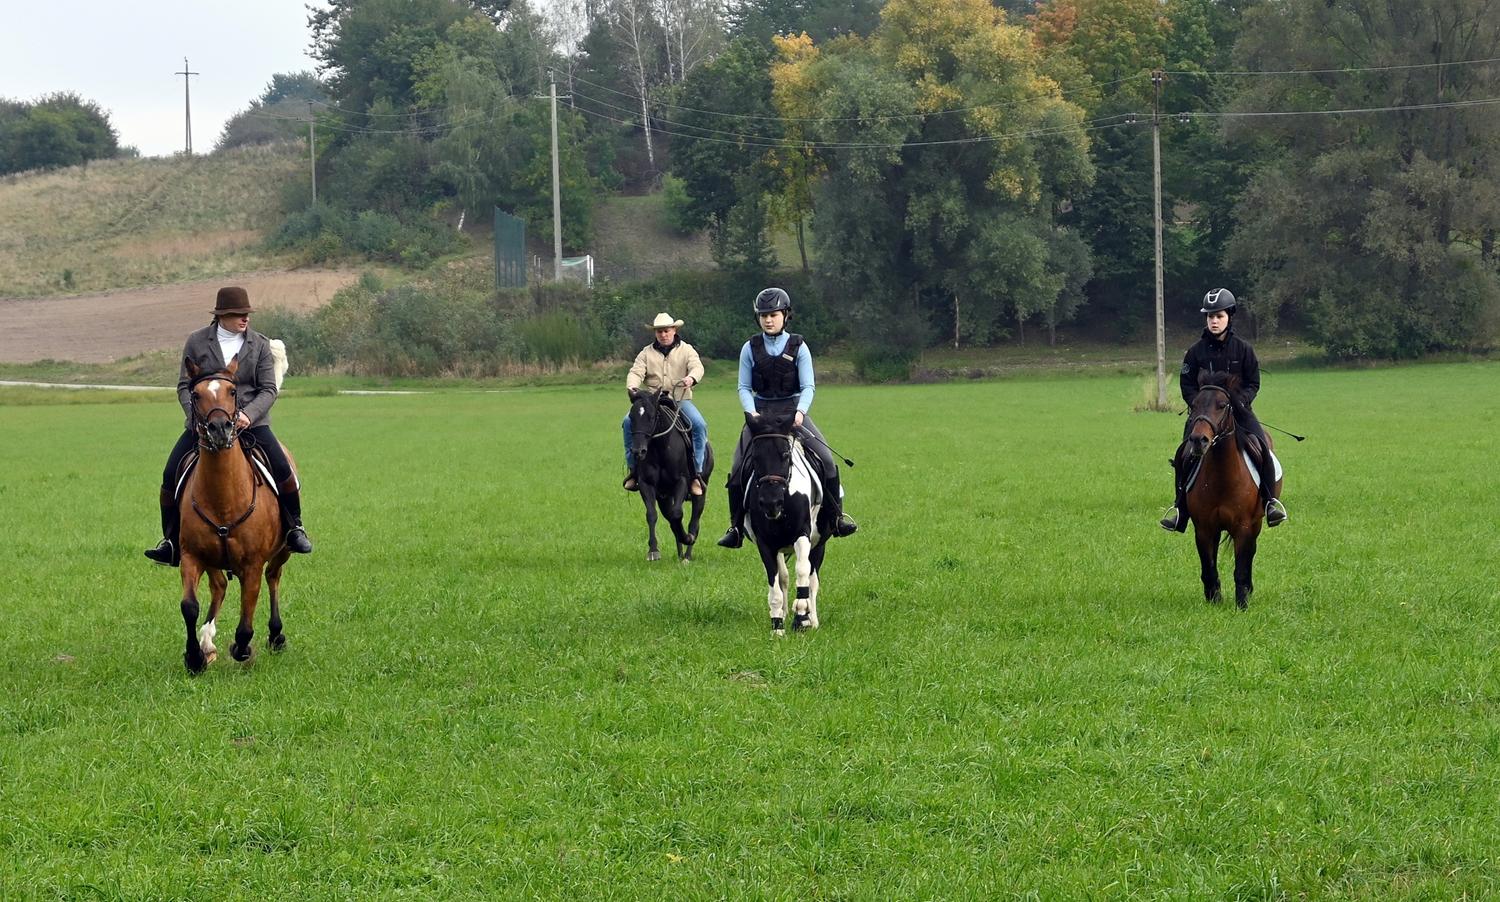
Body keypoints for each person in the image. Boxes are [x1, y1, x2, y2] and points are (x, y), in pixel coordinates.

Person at [144, 286, 313, 565]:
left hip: (250, 424)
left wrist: (248, 415)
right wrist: (196, 418)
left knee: (284, 471)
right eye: (238, 314)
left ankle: (295, 528)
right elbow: (184, 386)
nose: (245, 318)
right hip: (205, 424)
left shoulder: (259, 344)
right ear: (221, 315)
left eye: (247, 313)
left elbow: (268, 389)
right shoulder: (197, 342)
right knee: (170, 474)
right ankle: (171, 542)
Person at [718, 287, 858, 548]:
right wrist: (752, 413)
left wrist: (800, 412)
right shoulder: (749, 348)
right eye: (763, 316)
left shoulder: (799, 346)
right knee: (737, 469)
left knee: (827, 461)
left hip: (792, 412)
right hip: (760, 415)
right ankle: (735, 528)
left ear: (785, 315)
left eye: (773, 315)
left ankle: (836, 518)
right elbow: (744, 387)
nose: (768, 320)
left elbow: (808, 386)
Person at [1160, 287, 1288, 532]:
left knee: (1262, 447)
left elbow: (1253, 383)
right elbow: (1187, 385)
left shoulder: (1243, 349)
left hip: (1239, 413)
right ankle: (1180, 509)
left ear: (1229, 317)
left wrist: (1240, 403)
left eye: (1219, 316)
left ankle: (1270, 502)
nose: (1214, 321)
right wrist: (1198, 405)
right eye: (1210, 316)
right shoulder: (1195, 352)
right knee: (1183, 453)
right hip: (1204, 416)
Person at [623, 312, 709, 495]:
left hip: (680, 400)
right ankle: (634, 471)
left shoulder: (687, 350)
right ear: (655, 333)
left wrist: (691, 378)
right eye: (659, 331)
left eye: (666, 331)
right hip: (651, 402)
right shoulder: (646, 353)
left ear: (674, 330)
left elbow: (697, 366)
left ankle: (696, 473)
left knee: (699, 425)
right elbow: (636, 372)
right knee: (628, 422)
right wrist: (633, 387)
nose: (663, 334)